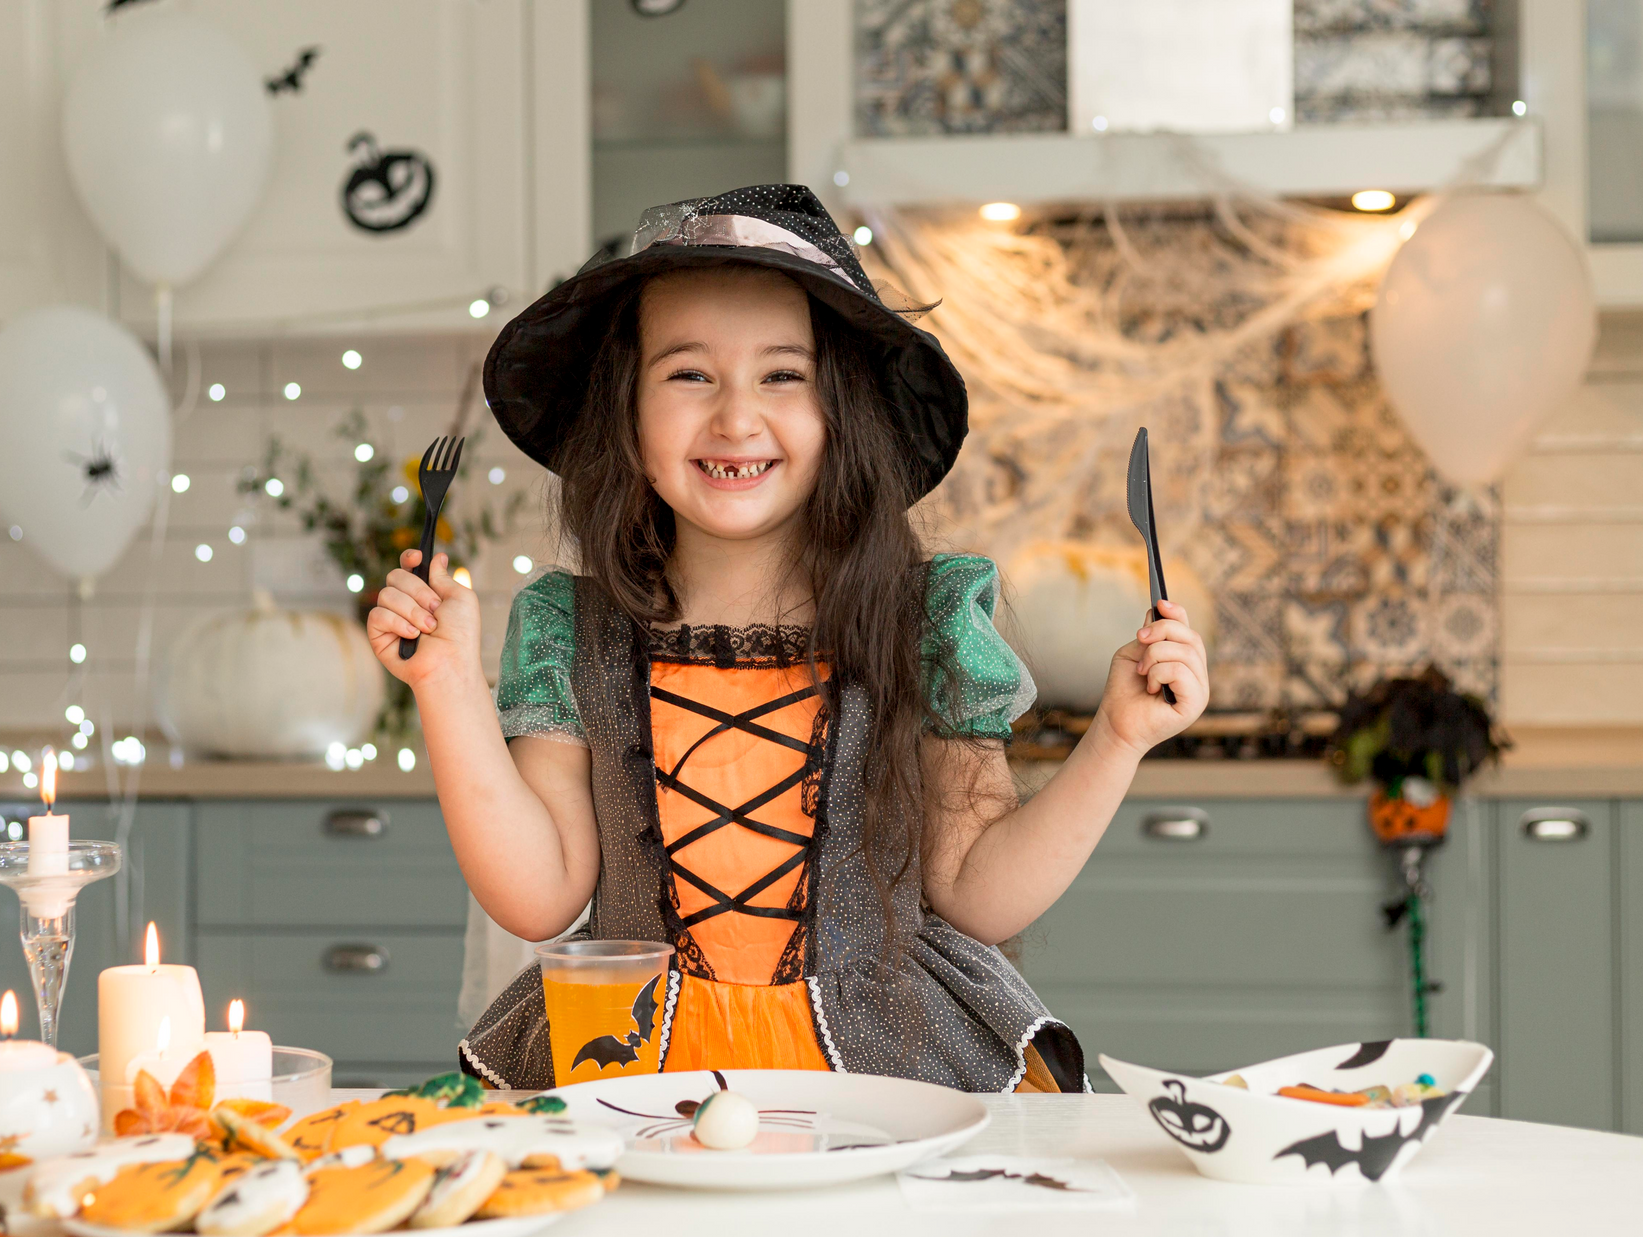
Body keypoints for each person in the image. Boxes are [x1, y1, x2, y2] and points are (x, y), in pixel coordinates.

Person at [367, 185, 1208, 1093]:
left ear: (842, 408)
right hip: (636, 1076)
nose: (736, 418)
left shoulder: (923, 623)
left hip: (884, 1080)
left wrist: (1119, 739)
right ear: (627, 410)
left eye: (783, 375)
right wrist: (445, 685)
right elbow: (538, 897)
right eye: (689, 374)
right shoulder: (571, 631)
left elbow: (977, 890)